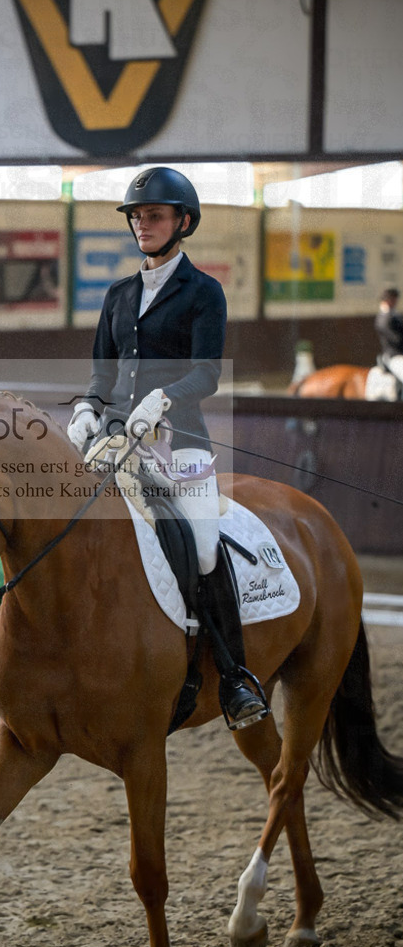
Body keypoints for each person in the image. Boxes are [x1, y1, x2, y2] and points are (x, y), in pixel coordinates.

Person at [66, 166, 269, 731]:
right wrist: (87, 407)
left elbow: (206, 374)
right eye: (137, 217)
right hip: (113, 446)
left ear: (183, 221)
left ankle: (233, 679)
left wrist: (162, 399)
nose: (142, 225)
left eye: (153, 215)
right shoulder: (118, 294)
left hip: (178, 446)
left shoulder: (204, 293)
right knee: (58, 526)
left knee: (203, 548)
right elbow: (101, 376)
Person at [374, 286, 403, 386]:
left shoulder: (396, 315)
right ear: (387, 300)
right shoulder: (383, 319)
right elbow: (396, 339)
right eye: (393, 299)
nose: (395, 302)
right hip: (394, 356)